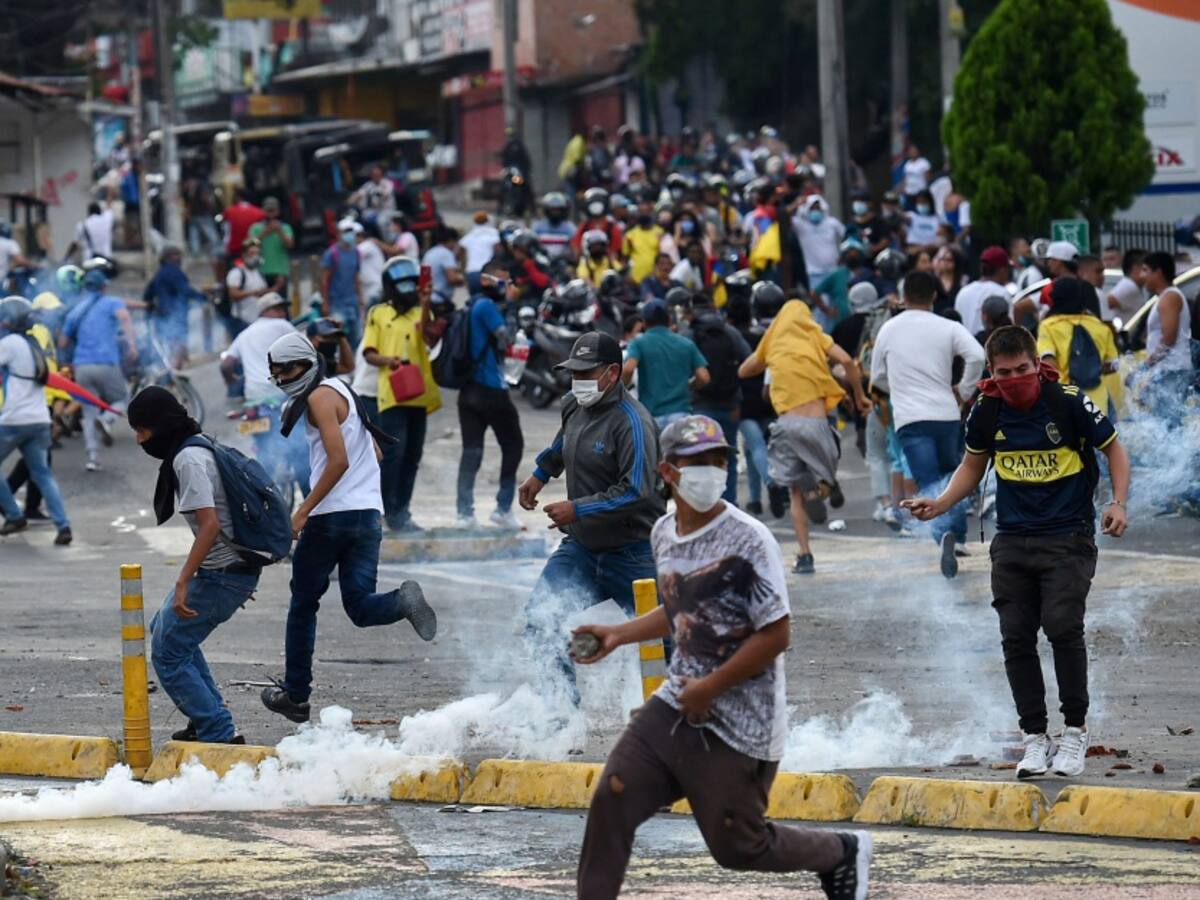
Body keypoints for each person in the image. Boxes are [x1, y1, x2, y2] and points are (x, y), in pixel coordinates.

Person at [573, 414, 872, 900]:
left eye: (718, 460)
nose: (710, 470)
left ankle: (839, 852)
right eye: (697, 461)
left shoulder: (749, 539)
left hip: (741, 721)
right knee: (614, 796)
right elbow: (683, 605)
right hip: (677, 704)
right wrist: (618, 634)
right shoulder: (664, 532)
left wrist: (711, 688)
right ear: (668, 471)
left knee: (738, 847)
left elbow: (776, 634)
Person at [904, 325, 1130, 779]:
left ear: (1037, 365)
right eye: (1003, 372)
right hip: (1011, 539)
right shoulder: (986, 408)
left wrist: (1118, 502)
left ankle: (1074, 731)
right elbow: (973, 465)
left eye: (1021, 369)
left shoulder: (1067, 400)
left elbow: (1114, 450)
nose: (1013, 379)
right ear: (991, 372)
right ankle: (1034, 738)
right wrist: (942, 504)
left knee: (1063, 627)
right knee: (1016, 636)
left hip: (1067, 537)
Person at [257, 332, 436, 724]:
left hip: (330, 518)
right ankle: (403, 602)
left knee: (303, 603)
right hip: (367, 516)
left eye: (287, 370)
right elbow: (374, 451)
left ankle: (296, 695)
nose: (282, 379)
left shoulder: (319, 398)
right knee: (359, 605)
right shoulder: (343, 390)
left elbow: (338, 460)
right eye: (276, 374)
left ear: (308, 363)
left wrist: (303, 511)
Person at [518, 331, 663, 706]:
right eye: (573, 373)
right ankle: (562, 715)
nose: (577, 381)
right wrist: (540, 474)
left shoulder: (633, 423)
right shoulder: (574, 404)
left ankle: (678, 720)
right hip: (581, 548)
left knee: (664, 641)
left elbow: (636, 491)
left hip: (633, 554)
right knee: (541, 621)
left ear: (612, 373)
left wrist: (577, 509)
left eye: (586, 373)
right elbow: (562, 443)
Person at [129, 386, 255, 744]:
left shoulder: (188, 459)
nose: (139, 440)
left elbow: (210, 525)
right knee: (166, 629)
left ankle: (218, 731)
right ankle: (206, 719)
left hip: (225, 573)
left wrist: (184, 580)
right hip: (226, 571)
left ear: (160, 425)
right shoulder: (195, 446)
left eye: (142, 430)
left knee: (168, 652)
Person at [738, 284, 871, 574]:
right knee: (825, 472)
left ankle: (805, 554)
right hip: (817, 425)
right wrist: (860, 395)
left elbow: (745, 370)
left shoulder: (773, 337)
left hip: (786, 425)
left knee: (795, 492)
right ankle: (822, 488)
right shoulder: (814, 334)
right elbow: (847, 361)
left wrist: (768, 356)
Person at [870, 270, 984, 577]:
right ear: (934, 295)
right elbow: (977, 355)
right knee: (952, 474)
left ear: (903, 296)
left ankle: (943, 534)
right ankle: (957, 536)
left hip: (910, 418)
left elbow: (876, 376)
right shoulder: (948, 326)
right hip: (946, 413)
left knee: (929, 480)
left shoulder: (889, 329)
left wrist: (899, 387)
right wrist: (964, 390)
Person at [362, 256, 440, 532]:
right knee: (393, 455)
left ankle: (401, 512)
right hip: (392, 393)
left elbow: (428, 336)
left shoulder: (421, 311)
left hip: (419, 393)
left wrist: (426, 301)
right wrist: (389, 361)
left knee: (413, 455)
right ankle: (383, 511)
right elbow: (369, 353)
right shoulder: (378, 313)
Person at [455, 262, 524, 530]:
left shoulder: (473, 305)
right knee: (513, 444)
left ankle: (464, 514)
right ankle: (503, 508)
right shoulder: (486, 307)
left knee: (472, 451)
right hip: (491, 389)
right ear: (488, 281)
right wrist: (512, 306)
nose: (508, 287)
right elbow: (508, 339)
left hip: (468, 390)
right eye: (504, 281)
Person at [0, 297, 71, 545]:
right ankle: (63, 525)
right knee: (43, 475)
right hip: (40, 419)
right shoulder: (34, 344)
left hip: (14, 420)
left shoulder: (11, 343)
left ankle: (13, 515)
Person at [60, 264, 136, 473]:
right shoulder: (112, 302)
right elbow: (125, 318)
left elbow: (63, 342)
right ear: (104, 286)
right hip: (106, 362)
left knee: (88, 411)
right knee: (122, 398)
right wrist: (131, 344)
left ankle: (93, 458)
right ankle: (107, 418)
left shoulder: (77, 310)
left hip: (82, 366)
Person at [683, 296, 752, 503]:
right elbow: (748, 358)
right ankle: (729, 504)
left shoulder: (690, 333)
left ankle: (707, 506)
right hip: (730, 405)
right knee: (728, 457)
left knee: (701, 459)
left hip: (701, 404)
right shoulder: (730, 331)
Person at [1036, 277, 1120, 417]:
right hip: (1098, 404)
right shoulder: (1100, 326)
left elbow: (1048, 364)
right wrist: (1091, 368)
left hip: (1065, 402)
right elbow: (1114, 365)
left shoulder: (1049, 326)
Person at [622, 299, 710, 431]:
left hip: (651, 416)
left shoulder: (638, 343)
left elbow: (629, 369)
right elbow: (704, 377)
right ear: (669, 320)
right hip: (681, 414)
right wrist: (690, 385)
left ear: (644, 323)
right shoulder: (686, 343)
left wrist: (622, 390)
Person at [1139, 251, 1194, 415]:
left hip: (1172, 370)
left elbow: (1169, 338)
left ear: (1158, 272)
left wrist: (1147, 364)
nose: (1141, 276)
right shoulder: (1165, 296)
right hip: (1167, 370)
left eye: (1145, 270)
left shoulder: (1170, 297)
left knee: (1169, 421)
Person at [143, 244, 206, 368]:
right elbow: (185, 290)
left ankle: (172, 370)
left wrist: (152, 309)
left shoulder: (159, 274)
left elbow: (147, 295)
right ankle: (174, 372)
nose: (179, 258)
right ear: (168, 257)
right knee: (178, 344)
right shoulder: (174, 272)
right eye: (176, 255)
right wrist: (203, 297)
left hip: (162, 315)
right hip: (176, 314)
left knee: (168, 345)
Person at [320, 220, 364, 347]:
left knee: (355, 339)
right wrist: (325, 303)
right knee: (337, 338)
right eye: (346, 231)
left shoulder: (356, 252)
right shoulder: (332, 254)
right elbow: (324, 279)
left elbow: (356, 276)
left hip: (353, 302)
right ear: (339, 233)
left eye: (351, 231)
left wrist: (360, 298)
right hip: (336, 303)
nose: (349, 235)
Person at [955, 245, 1011, 336]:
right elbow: (1009, 330)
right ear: (1002, 270)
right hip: (992, 344)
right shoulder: (1002, 293)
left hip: (965, 344)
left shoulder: (963, 292)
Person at [246, 197, 295, 297]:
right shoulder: (255, 228)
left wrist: (280, 231)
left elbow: (290, 245)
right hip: (261, 271)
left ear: (278, 211)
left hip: (280, 272)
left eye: (273, 211)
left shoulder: (285, 227)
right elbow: (250, 246)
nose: (271, 214)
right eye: (268, 211)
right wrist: (265, 232)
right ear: (263, 211)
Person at [225, 237, 271, 331]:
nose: (255, 256)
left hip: (257, 320)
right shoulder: (237, 273)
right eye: (251, 253)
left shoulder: (259, 273)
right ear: (244, 254)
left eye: (257, 253)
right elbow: (233, 294)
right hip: (242, 320)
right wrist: (252, 293)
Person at [220, 189, 265, 272]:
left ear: (237, 197)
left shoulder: (229, 211)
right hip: (253, 250)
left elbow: (226, 233)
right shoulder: (260, 213)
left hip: (235, 249)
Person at [459, 212, 501, 294]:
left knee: (475, 297)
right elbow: (499, 251)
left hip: (472, 273)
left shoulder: (469, 235)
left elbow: (460, 252)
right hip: (488, 273)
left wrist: (463, 272)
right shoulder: (494, 234)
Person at [622, 206, 666, 284]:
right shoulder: (630, 235)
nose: (644, 214)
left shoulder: (660, 232)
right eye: (641, 212)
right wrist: (626, 275)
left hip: (656, 277)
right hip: (635, 279)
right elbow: (625, 257)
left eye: (647, 212)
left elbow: (664, 255)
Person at [422, 225, 464, 304]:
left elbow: (424, 277)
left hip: (427, 298)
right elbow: (452, 279)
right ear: (451, 240)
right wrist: (462, 279)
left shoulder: (429, 253)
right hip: (439, 300)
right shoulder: (447, 254)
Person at [1103, 249, 1146, 324]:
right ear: (1136, 268)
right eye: (1145, 269)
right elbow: (1105, 302)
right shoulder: (1128, 286)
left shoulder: (1131, 285)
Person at [356, 227, 388, 309]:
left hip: (374, 289)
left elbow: (353, 255)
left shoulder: (367, 245)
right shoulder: (365, 245)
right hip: (369, 290)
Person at [901, 143, 932, 207]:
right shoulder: (907, 164)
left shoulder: (924, 162)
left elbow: (928, 178)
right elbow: (905, 179)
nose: (913, 152)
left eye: (914, 151)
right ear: (908, 153)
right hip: (909, 193)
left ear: (918, 151)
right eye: (911, 151)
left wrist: (927, 191)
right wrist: (904, 189)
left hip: (920, 193)